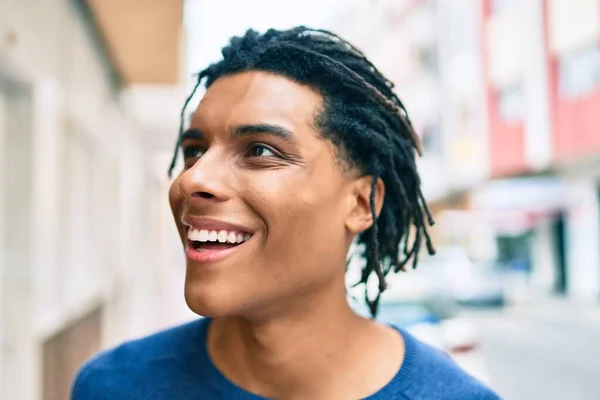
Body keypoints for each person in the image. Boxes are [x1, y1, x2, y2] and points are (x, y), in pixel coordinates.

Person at [71, 27, 500, 400]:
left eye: (260, 150)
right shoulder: (112, 387)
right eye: (194, 151)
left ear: (361, 203)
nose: (191, 180)